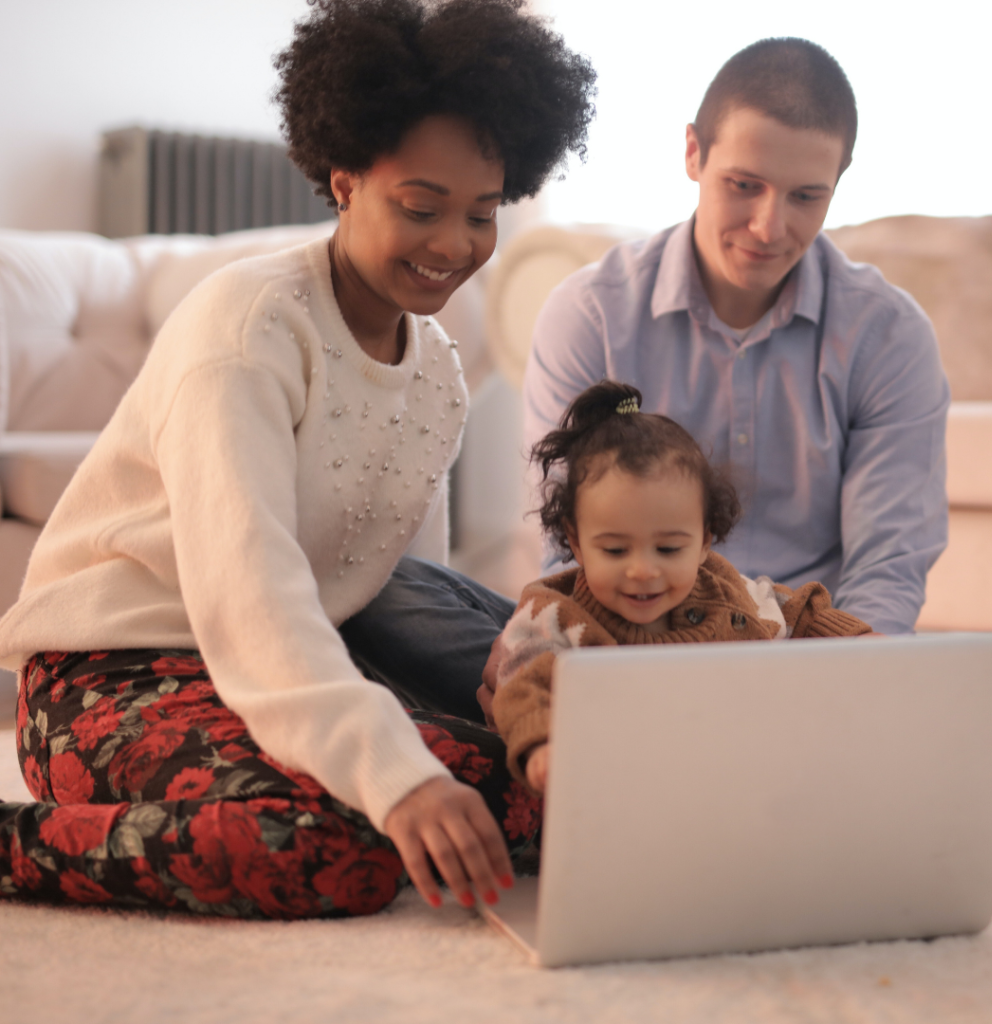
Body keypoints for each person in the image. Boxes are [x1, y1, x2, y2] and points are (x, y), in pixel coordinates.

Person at [0, 0, 596, 918]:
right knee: (337, 842)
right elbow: (251, 594)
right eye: (421, 207)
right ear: (345, 176)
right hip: (111, 675)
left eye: (482, 215)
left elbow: (396, 585)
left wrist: (491, 714)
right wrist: (397, 776)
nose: (454, 246)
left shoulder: (436, 369)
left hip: (285, 668)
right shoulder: (247, 327)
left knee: (546, 795)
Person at [522, 37, 950, 640]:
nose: (769, 227)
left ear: (838, 181)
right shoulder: (590, 314)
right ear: (694, 152)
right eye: (744, 185)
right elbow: (567, 547)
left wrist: (839, 684)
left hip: (810, 650)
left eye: (806, 196)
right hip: (634, 637)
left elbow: (889, 567)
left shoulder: (891, 337)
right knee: (417, 598)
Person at [489, 381, 872, 793]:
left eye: (669, 549)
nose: (642, 571)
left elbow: (793, 610)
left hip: (731, 776)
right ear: (577, 542)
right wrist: (543, 744)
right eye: (616, 550)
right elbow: (522, 684)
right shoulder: (551, 614)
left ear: (705, 541)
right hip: (616, 787)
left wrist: (860, 640)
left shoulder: (721, 591)